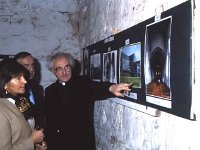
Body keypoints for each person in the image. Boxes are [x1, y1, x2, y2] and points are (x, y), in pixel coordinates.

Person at [44, 52, 132, 150]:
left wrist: (112, 88)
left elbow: (96, 87)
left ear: (71, 67)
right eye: (59, 69)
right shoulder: (49, 91)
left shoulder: (82, 83)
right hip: (58, 144)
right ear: (53, 71)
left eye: (67, 67)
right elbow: (49, 121)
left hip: (81, 143)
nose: (64, 72)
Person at [0, 58, 45, 150]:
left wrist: (36, 144)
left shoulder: (22, 101)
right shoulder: (1, 110)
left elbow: (25, 134)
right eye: (18, 78)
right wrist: (32, 140)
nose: (24, 81)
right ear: (5, 84)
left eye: (23, 77)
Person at [14, 52, 45, 129]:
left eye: (32, 65)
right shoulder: (13, 92)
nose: (31, 69)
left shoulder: (38, 88)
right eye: (26, 66)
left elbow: (40, 116)